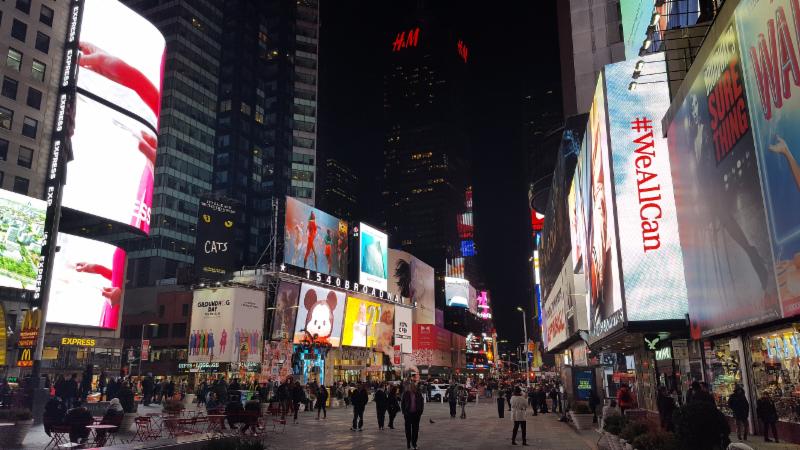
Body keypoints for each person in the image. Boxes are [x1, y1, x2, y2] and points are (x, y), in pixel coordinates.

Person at [402, 381, 424, 450]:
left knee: (415, 430)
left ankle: (414, 443)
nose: (411, 388)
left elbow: (421, 403)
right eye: (410, 387)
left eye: (413, 387)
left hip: (416, 414)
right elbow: (403, 404)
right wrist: (404, 412)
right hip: (408, 414)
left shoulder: (418, 394)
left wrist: (420, 412)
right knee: (408, 430)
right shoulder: (406, 394)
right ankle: (408, 442)